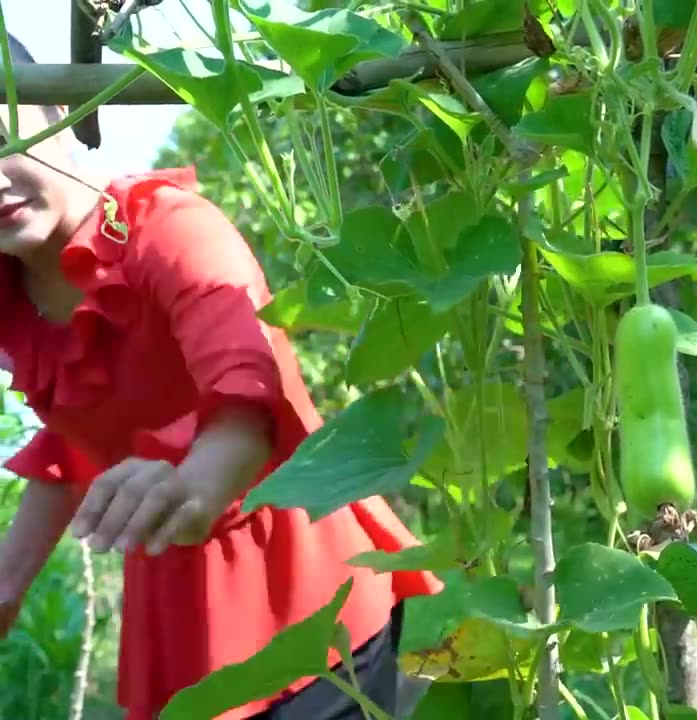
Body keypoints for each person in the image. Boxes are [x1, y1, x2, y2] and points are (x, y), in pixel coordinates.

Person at [0, 36, 444, 720]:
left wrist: (193, 482)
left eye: (2, 132)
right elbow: (72, 444)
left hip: (309, 607)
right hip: (180, 621)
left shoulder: (171, 233)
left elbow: (247, 402)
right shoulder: (13, 295)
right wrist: (7, 586)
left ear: (56, 104)